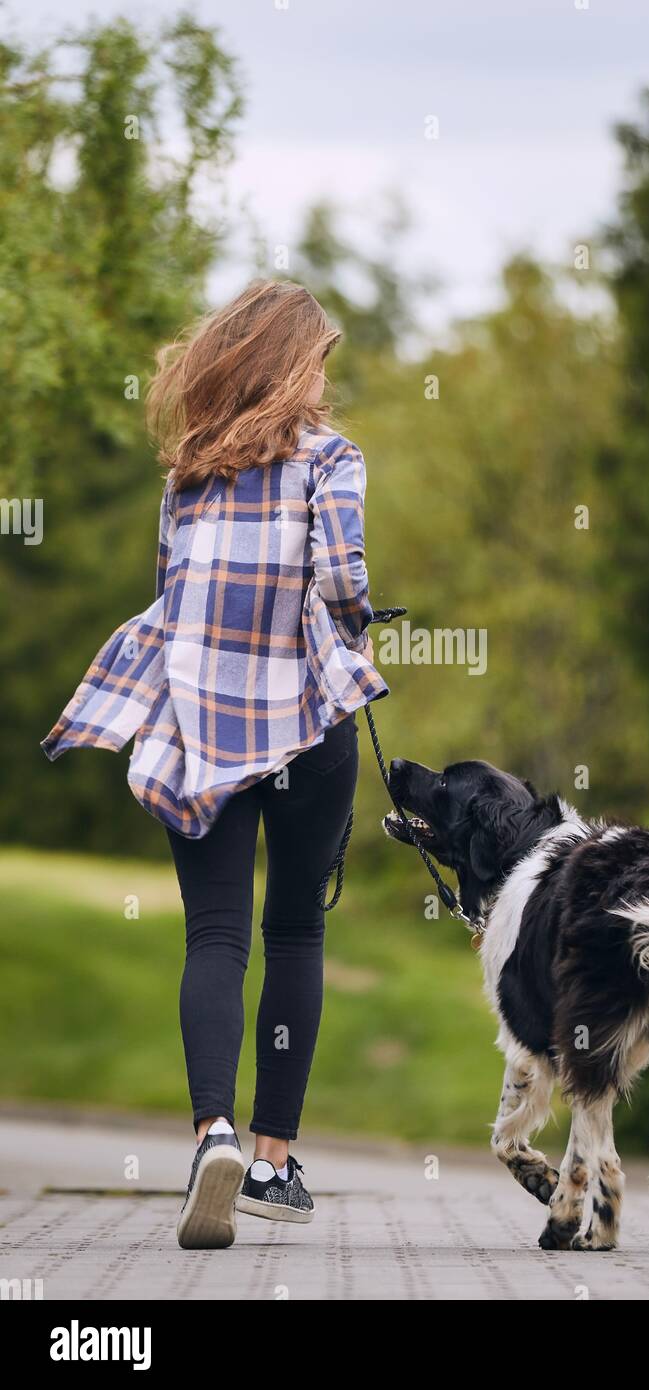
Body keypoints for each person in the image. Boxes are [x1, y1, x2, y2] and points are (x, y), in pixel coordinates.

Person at [41, 280, 389, 1249]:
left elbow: (172, 592)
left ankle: (212, 1136)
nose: (326, 374)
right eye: (319, 355)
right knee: (295, 932)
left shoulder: (189, 469)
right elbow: (341, 579)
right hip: (305, 720)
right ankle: (273, 1161)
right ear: (291, 363)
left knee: (216, 933)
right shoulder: (332, 456)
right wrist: (361, 626)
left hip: (203, 724)